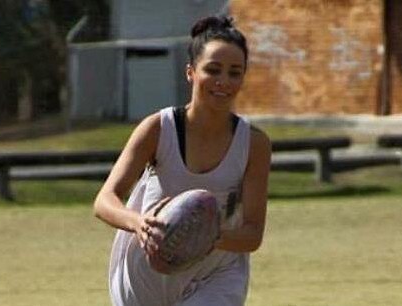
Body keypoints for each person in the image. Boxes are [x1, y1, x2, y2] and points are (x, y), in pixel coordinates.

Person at [93, 15, 271, 306]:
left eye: (234, 72)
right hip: (146, 274)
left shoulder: (254, 144)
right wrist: (138, 224)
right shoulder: (158, 129)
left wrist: (202, 238)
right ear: (190, 72)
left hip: (215, 274)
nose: (223, 82)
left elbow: (252, 235)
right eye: (213, 70)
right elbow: (104, 200)